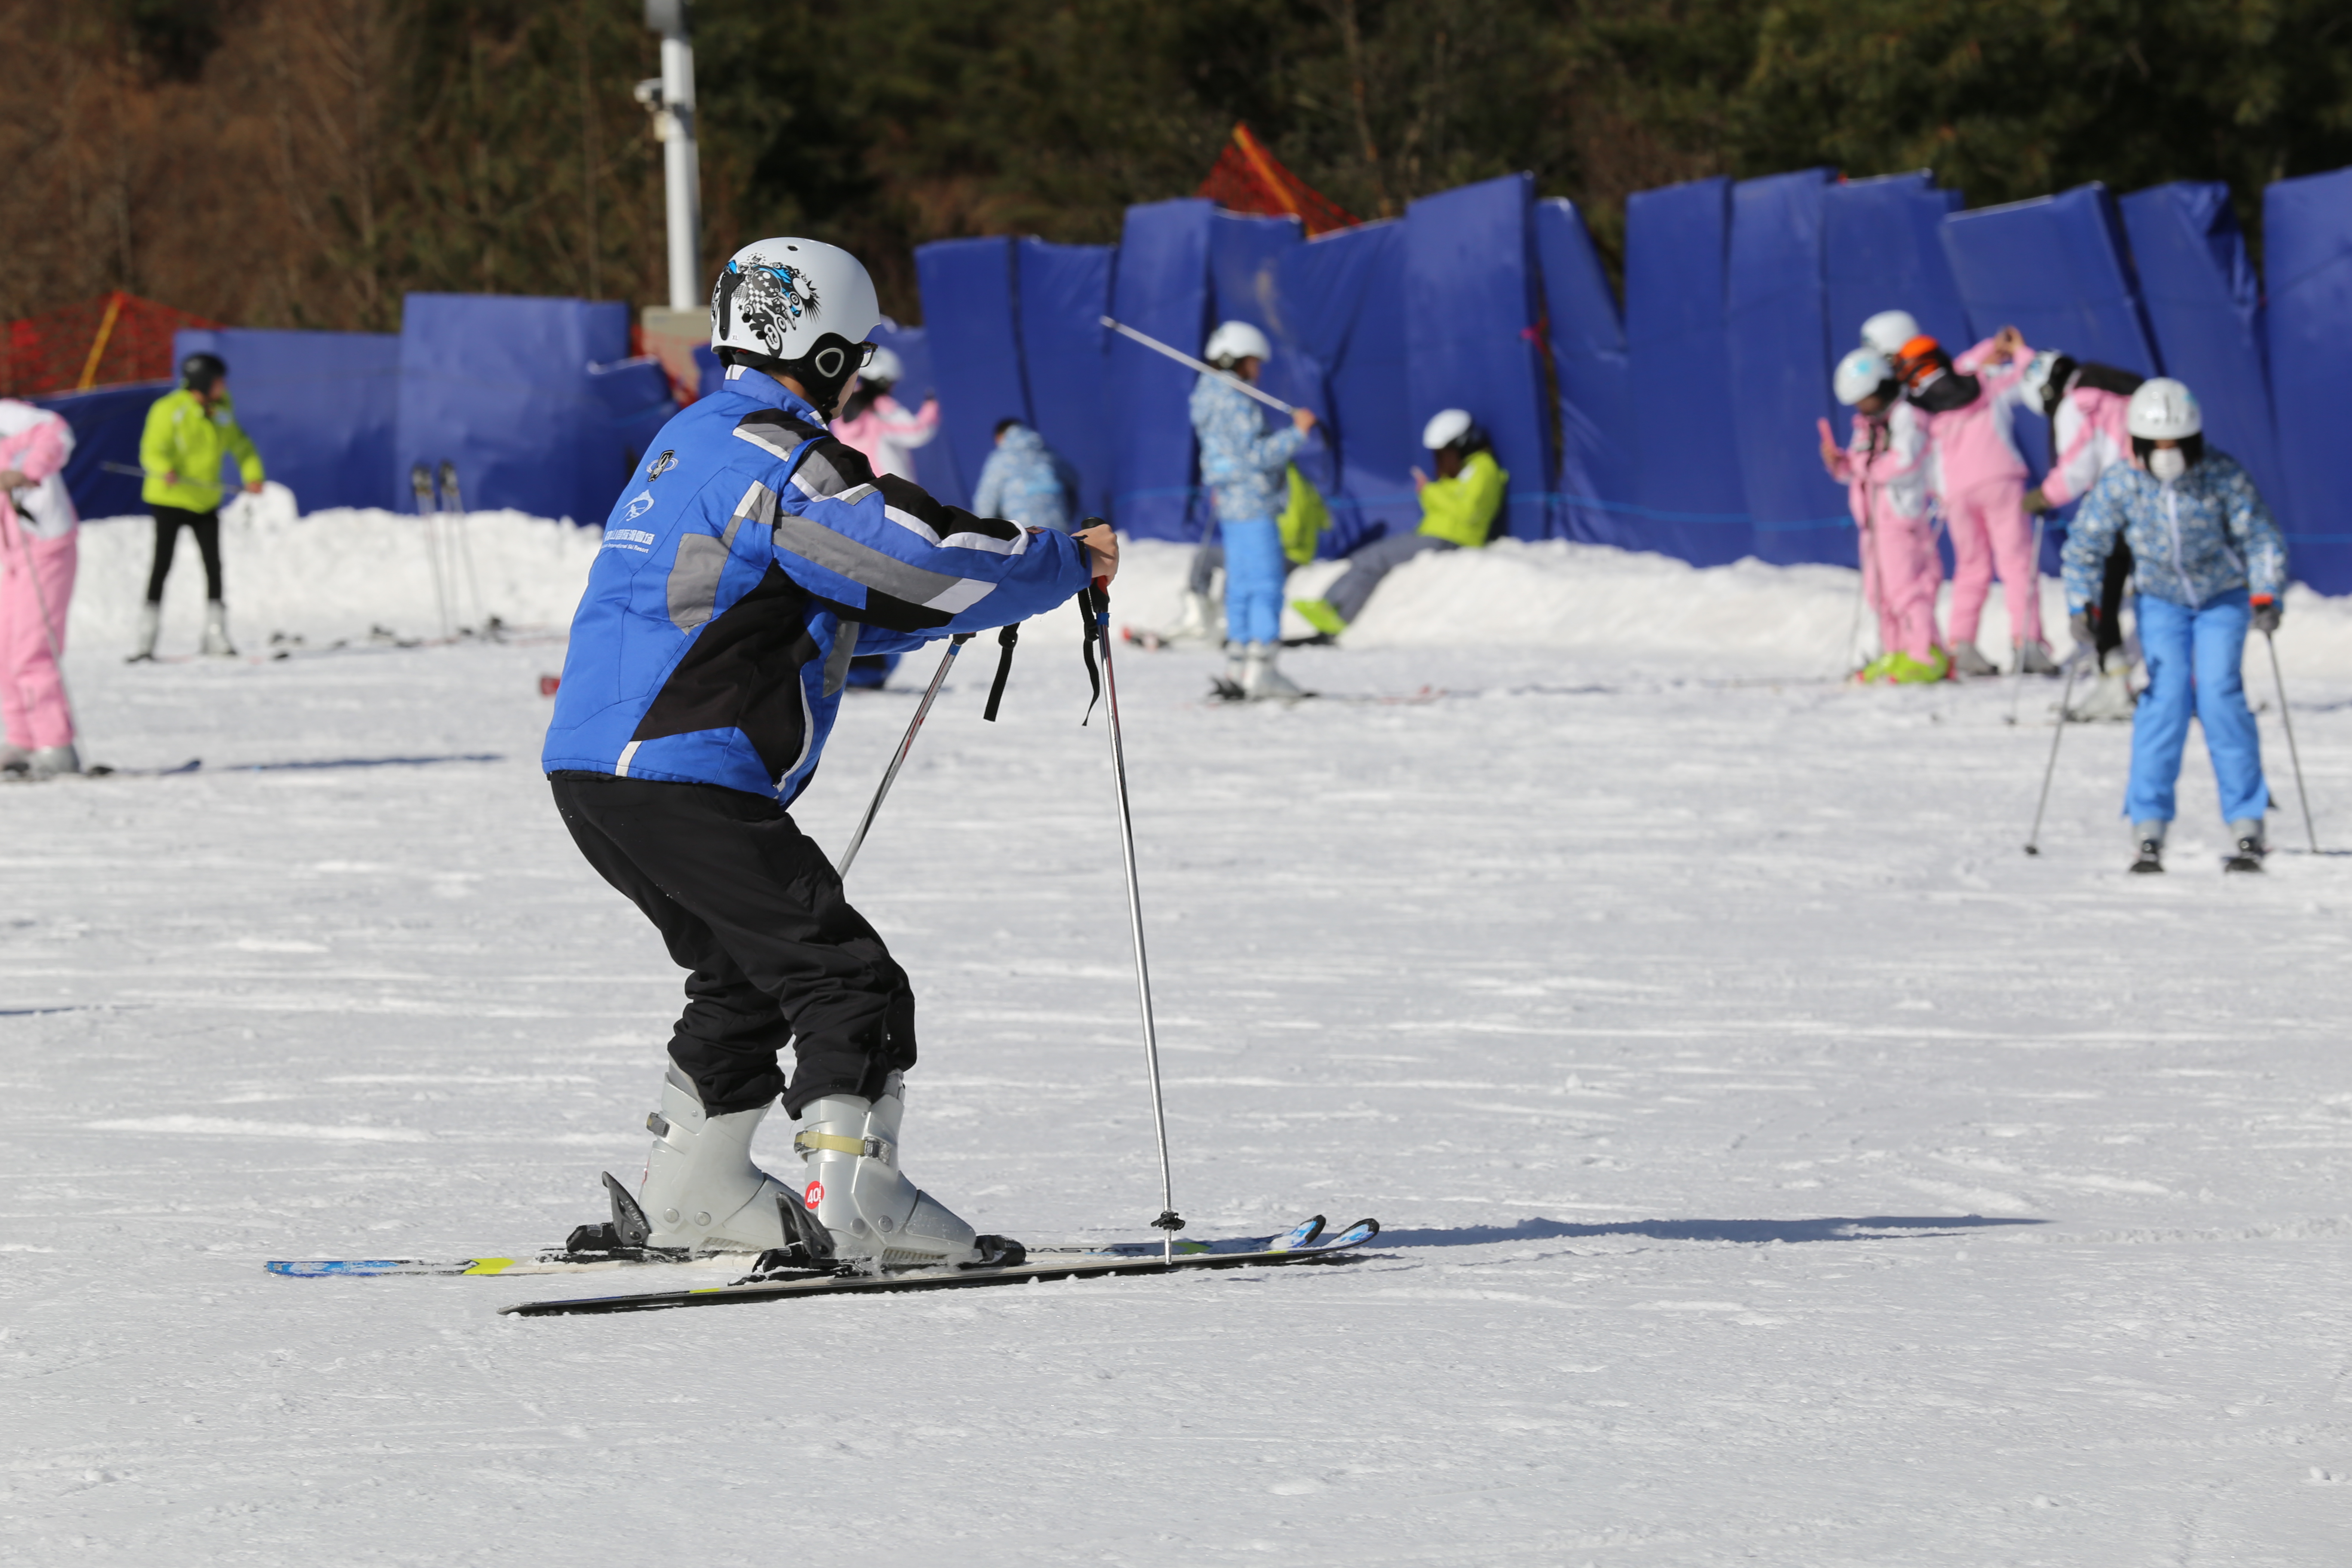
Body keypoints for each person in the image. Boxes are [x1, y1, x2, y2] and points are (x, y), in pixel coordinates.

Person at [542, 237, 1117, 1271]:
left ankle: (693, 1190)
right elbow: (906, 552)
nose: (856, 381)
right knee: (845, 977)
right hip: (680, 768)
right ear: (820, 351)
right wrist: (1056, 562)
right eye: (851, 357)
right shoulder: (777, 455)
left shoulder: (688, 443)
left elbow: (809, 603)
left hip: (599, 776)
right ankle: (858, 1202)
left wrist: (951, 618)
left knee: (744, 973)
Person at [2059, 378, 2284, 875]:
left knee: (2221, 694)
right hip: (2161, 603)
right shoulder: (2123, 482)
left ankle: (2248, 819)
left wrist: (2266, 591)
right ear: (2137, 444)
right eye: (2156, 446)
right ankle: (2148, 823)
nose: (2167, 456)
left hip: (2220, 599)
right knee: (2166, 699)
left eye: (2177, 446)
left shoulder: (2221, 475)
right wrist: (2082, 604)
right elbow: (2085, 546)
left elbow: (2260, 535)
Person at [1894, 326, 2052, 677]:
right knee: (2017, 565)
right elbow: (2027, 377)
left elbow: (1962, 365)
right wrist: (2016, 350)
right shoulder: (1985, 384)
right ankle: (2028, 643)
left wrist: (1985, 350)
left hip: (1956, 493)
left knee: (1970, 569)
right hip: (2001, 481)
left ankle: (1961, 645)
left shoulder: (1921, 408)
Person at [1292, 410, 1506, 637]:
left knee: (1374, 559)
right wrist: (1430, 492)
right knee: (1367, 556)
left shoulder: (1484, 469)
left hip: (1451, 539)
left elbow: (1467, 511)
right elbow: (1450, 506)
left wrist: (1430, 490)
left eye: (1444, 452)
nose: (1441, 459)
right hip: (1436, 533)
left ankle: (1337, 615)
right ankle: (1329, 607)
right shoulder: (1463, 472)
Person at [1190, 321, 1316, 699]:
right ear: (1235, 361)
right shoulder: (1235, 398)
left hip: (1230, 502)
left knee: (1241, 585)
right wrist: (1299, 432)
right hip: (1254, 501)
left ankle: (1239, 664)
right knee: (1264, 584)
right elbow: (1257, 455)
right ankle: (1263, 670)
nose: (1258, 371)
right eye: (1253, 363)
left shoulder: (1207, 397)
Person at [2022, 352, 2144, 720]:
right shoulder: (2120, 389)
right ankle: (2183, 684)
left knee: (2104, 596)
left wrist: (2045, 495)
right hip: (2156, 504)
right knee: (2159, 594)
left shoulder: (2078, 405)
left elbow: (2078, 466)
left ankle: (2114, 683)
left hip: (2114, 506)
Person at [1819, 350, 1946, 683]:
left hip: (1900, 520)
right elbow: (1860, 467)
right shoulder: (1866, 425)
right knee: (1880, 595)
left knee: (1907, 591)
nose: (1862, 407)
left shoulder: (1908, 416)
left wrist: (1863, 467)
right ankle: (1895, 651)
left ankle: (1926, 653)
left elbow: (1904, 463)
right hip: (1871, 525)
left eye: (1867, 398)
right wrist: (1840, 463)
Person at [135, 352, 263, 661]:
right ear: (204, 382)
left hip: (205, 502)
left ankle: (216, 634)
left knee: (214, 566)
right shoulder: (169, 409)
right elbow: (151, 449)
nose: (224, 387)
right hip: (169, 499)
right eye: (219, 381)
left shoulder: (222, 410)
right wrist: (164, 467)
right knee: (162, 566)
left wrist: (253, 475)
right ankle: (146, 638)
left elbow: (240, 444)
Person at [0, 399, 81, 776]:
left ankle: (55, 744)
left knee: (33, 649)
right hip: (12, 556)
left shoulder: (8, 416)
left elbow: (58, 431)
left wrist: (27, 472)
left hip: (45, 545)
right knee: (5, 648)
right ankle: (23, 739)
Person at [828, 346, 938, 482]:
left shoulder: (843, 403)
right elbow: (917, 431)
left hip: (860, 488)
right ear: (883, 381)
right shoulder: (879, 406)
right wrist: (932, 405)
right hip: (893, 490)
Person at [971, 418, 1082, 533]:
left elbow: (986, 502)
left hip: (1025, 533)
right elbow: (1073, 481)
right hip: (1059, 528)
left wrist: (983, 531)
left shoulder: (1000, 459)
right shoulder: (1048, 454)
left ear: (999, 437)